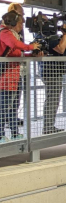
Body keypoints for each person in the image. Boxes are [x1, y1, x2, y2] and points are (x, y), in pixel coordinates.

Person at [0, 11, 40, 142]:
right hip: (5, 79)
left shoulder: (13, 35)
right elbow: (14, 45)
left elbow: (17, 54)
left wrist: (31, 54)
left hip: (14, 78)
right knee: (3, 108)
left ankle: (14, 132)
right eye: (20, 23)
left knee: (13, 108)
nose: (22, 26)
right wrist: (30, 46)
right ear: (13, 23)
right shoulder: (5, 33)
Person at [39, 27, 66, 134]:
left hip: (53, 71)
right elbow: (61, 49)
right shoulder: (50, 37)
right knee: (52, 100)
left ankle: (49, 126)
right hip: (52, 72)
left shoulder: (48, 37)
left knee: (53, 99)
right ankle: (48, 127)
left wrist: (64, 36)